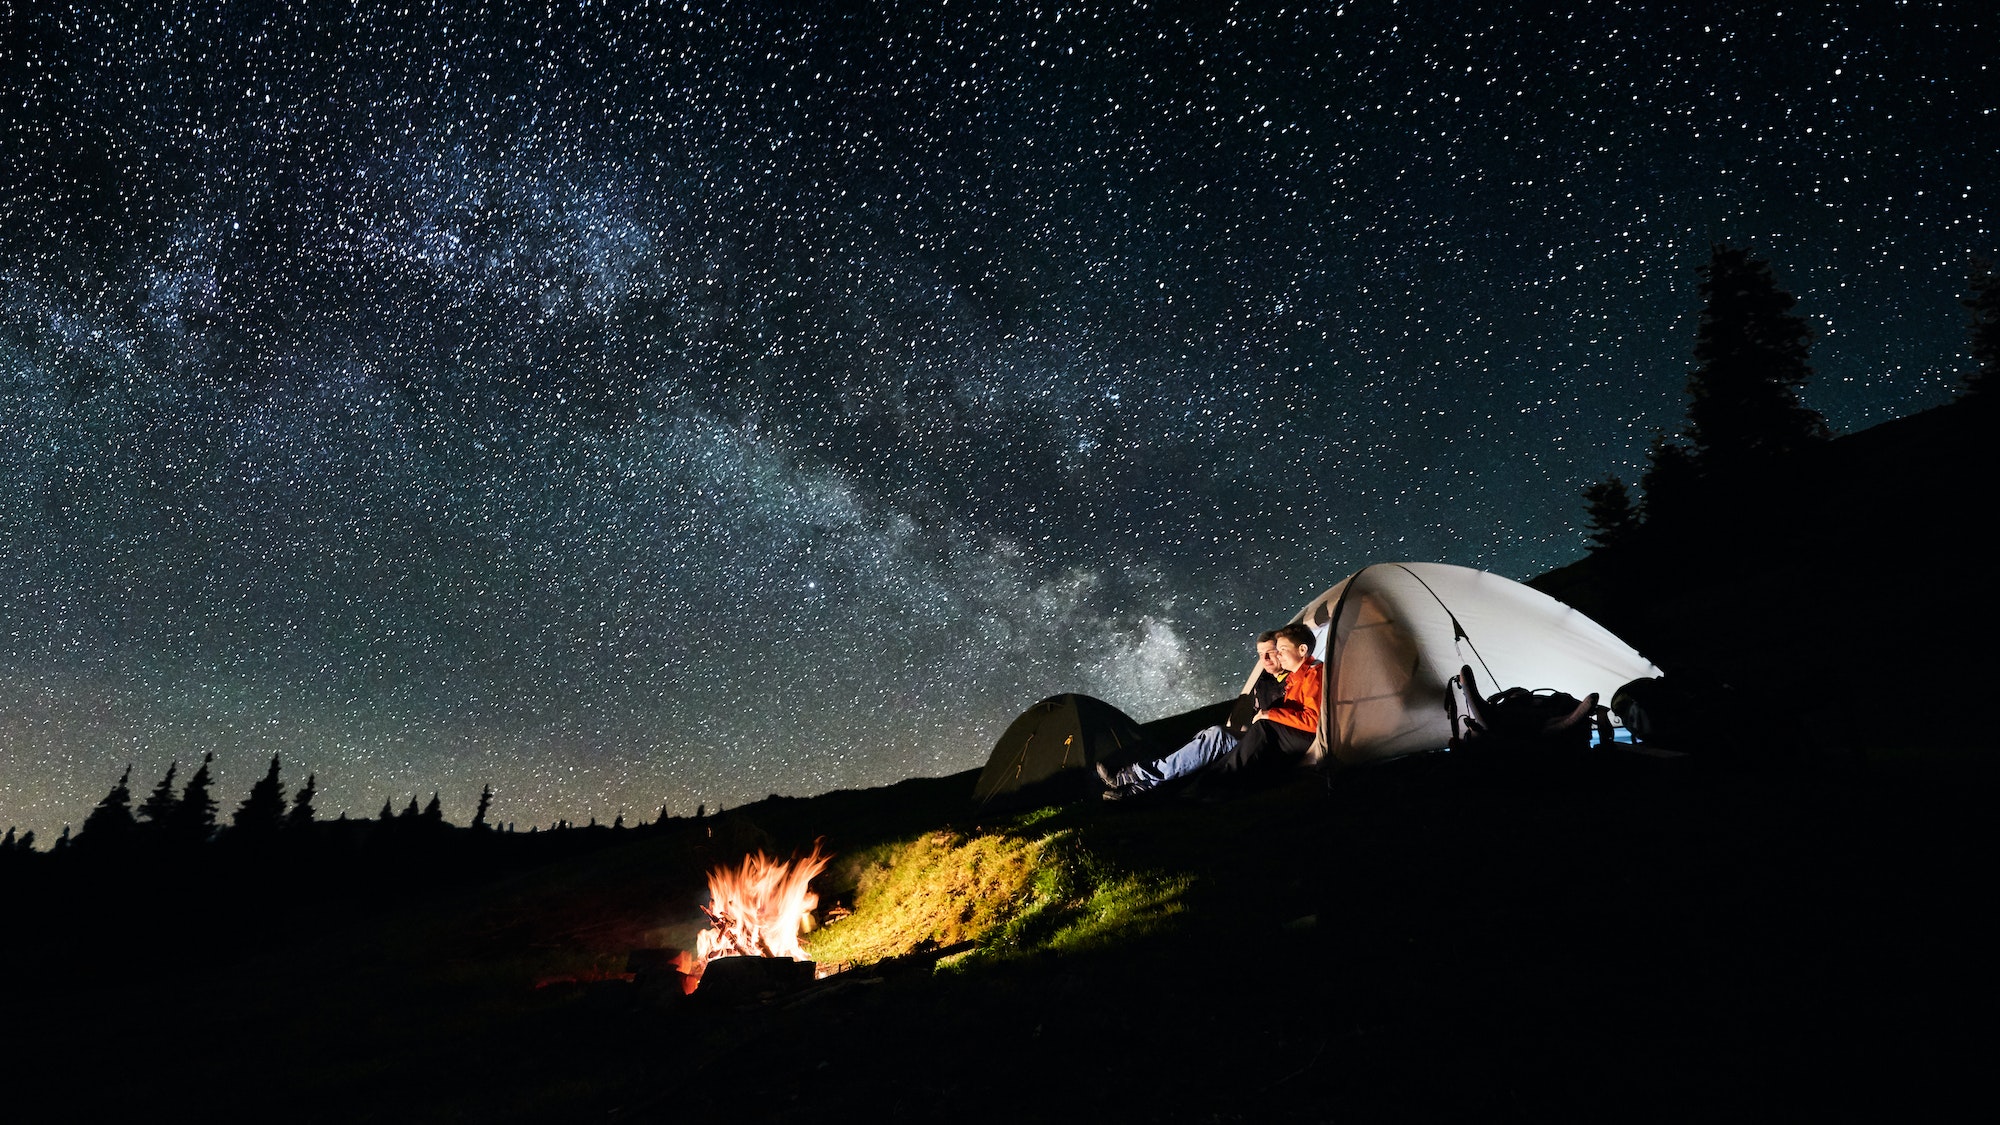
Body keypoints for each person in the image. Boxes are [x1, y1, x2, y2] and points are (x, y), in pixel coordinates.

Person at [1098, 622, 1323, 800]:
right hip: (1263, 736)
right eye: (1260, 654)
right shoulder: (1267, 682)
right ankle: (1141, 781)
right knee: (1213, 736)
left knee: (1217, 741)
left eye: (1275, 652)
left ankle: (1144, 784)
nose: (1267, 659)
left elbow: (1304, 718)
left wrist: (1268, 715)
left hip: (1273, 740)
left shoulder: (1304, 675)